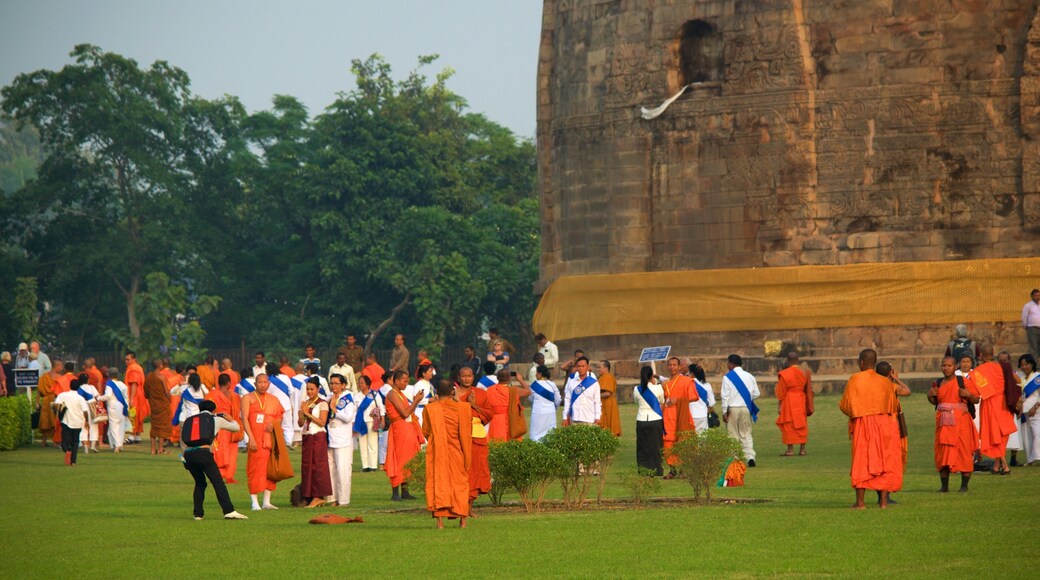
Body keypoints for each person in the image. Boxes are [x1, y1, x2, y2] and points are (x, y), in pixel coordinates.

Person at [839, 349, 903, 508]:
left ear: (861, 362)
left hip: (864, 423)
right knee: (884, 460)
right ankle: (883, 502)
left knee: (862, 460)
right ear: (874, 362)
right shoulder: (886, 382)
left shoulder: (855, 379)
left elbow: (846, 405)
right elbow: (893, 406)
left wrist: (859, 411)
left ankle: (860, 503)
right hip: (885, 425)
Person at [180, 400, 249, 520]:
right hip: (203, 453)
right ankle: (229, 510)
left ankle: (198, 514)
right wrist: (230, 418)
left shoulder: (190, 420)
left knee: (200, 483)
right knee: (218, 482)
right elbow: (236, 428)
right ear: (214, 410)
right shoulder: (215, 419)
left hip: (188, 455)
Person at [422, 376, 473, 528]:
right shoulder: (464, 408)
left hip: (438, 452)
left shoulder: (430, 409)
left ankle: (440, 521)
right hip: (457, 450)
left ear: (436, 392)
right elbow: (467, 430)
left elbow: (426, 431)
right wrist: (457, 399)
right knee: (460, 482)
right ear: (452, 391)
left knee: (439, 481)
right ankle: (462, 520)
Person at [928, 356, 981, 493]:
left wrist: (968, 394)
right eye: (944, 365)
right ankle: (944, 486)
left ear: (955, 366)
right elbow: (936, 402)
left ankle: (964, 486)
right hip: (944, 423)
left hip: (961, 423)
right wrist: (930, 395)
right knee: (943, 452)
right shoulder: (938, 382)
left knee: (963, 451)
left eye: (949, 365)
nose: (946, 368)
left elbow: (976, 399)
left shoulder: (963, 382)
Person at [241, 373, 285, 510]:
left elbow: (280, 416)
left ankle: (267, 501)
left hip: (270, 439)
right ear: (255, 384)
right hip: (256, 439)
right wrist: (251, 438)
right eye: (260, 382)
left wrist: (274, 424)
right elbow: (244, 418)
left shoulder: (274, 399)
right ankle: (254, 501)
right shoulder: (247, 398)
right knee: (255, 469)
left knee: (270, 470)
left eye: (265, 382)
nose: (263, 385)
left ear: (269, 384)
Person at [972, 344, 1019, 474]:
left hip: (990, 403)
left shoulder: (978, 371)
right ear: (993, 354)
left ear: (981, 355)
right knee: (1002, 434)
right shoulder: (1002, 367)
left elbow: (979, 391)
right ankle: (996, 465)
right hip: (1004, 402)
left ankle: (1005, 465)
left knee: (995, 435)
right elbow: (1017, 380)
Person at [455, 366, 493, 510]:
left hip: (477, 435)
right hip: (459, 436)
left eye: (469, 376)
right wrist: (464, 405)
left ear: (473, 377)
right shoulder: (455, 394)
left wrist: (474, 406)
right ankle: (460, 507)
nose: (467, 379)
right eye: (463, 376)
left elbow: (490, 413)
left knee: (476, 471)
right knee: (463, 471)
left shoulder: (480, 394)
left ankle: (469, 508)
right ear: (459, 378)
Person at [875, 361, 912, 505]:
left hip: (876, 425)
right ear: (889, 373)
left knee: (879, 460)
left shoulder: (873, 386)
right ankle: (885, 497)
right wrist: (896, 378)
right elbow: (907, 391)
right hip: (890, 426)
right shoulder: (892, 386)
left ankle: (881, 496)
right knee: (890, 460)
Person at [385, 369, 424, 501]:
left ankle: (405, 490)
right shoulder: (392, 394)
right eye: (405, 381)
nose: (407, 384)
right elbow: (405, 413)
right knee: (399, 459)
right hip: (399, 428)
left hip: (407, 428)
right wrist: (416, 401)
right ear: (396, 381)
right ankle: (395, 491)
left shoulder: (400, 393)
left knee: (408, 459)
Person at [297, 377, 331, 508]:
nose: (309, 392)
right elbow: (300, 424)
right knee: (307, 466)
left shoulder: (322, 403)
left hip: (318, 436)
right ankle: (308, 494)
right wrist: (301, 414)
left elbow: (322, 422)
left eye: (312, 389)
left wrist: (308, 413)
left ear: (318, 389)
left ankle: (319, 496)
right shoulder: (305, 403)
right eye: (308, 389)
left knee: (318, 466)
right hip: (307, 436)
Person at [721, 354, 759, 467]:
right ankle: (750, 457)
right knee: (746, 433)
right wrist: (747, 398)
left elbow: (725, 396)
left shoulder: (727, 377)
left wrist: (724, 412)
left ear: (731, 364)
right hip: (746, 408)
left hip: (732, 409)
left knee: (732, 434)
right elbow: (756, 393)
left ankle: (735, 458)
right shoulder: (749, 376)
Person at [661, 356, 696, 477]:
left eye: (674, 365)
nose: (672, 367)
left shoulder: (686, 381)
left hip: (682, 415)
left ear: (680, 367)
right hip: (668, 417)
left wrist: (678, 400)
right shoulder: (665, 383)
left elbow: (693, 397)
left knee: (683, 441)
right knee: (668, 443)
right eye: (670, 365)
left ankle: (683, 469)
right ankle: (672, 469)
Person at [326, 373, 357, 505]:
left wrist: (334, 410)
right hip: (329, 438)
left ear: (343, 385)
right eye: (331, 383)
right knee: (331, 470)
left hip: (343, 440)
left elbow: (348, 417)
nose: (333, 386)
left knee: (343, 471)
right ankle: (332, 498)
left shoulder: (348, 398)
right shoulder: (328, 397)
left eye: (336, 383)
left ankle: (343, 500)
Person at [775, 352, 814, 457]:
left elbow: (781, 392)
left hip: (789, 400)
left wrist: (779, 405)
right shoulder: (804, 372)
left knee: (789, 424)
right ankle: (802, 450)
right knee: (802, 423)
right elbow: (809, 389)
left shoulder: (785, 373)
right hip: (801, 399)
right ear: (798, 360)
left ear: (788, 361)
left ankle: (790, 450)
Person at [206, 373, 242, 483]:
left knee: (217, 451)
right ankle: (229, 476)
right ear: (229, 383)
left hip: (216, 425)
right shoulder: (234, 396)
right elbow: (236, 412)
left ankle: (218, 474)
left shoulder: (211, 395)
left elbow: (206, 409)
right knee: (231, 452)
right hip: (230, 425)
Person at [634, 365, 665, 476]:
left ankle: (643, 469)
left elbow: (636, 401)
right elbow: (662, 401)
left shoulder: (637, 389)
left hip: (641, 419)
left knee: (642, 446)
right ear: (652, 375)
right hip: (655, 419)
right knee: (656, 446)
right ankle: (657, 469)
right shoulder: (658, 388)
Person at [518, 364, 559, 442]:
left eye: (536, 373)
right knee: (550, 433)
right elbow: (558, 399)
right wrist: (554, 408)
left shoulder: (534, 385)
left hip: (538, 412)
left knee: (536, 434)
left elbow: (530, 398)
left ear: (540, 374)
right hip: (550, 412)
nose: (536, 375)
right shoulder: (552, 384)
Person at [487, 369, 530, 441]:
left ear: (497, 378)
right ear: (510, 378)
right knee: (512, 442)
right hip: (511, 419)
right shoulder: (514, 390)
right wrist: (520, 380)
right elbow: (528, 391)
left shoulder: (490, 390)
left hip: (496, 420)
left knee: (497, 442)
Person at [353, 374, 385, 473]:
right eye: (359, 383)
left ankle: (373, 466)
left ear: (367, 384)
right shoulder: (357, 396)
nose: (360, 385)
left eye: (362, 383)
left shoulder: (375, 395)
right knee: (362, 444)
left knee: (372, 443)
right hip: (360, 421)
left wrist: (382, 420)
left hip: (372, 422)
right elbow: (354, 410)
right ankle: (365, 466)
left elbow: (381, 408)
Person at [53, 379, 89, 466]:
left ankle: (67, 450)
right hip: (78, 422)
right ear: (78, 387)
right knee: (75, 442)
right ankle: (73, 461)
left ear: (70, 385)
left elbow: (55, 405)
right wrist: (86, 421)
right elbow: (85, 411)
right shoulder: (80, 398)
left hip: (66, 421)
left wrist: (57, 414)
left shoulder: (63, 395)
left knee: (64, 442)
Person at [143, 359, 172, 455]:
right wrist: (170, 399)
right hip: (162, 404)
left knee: (154, 426)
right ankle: (160, 448)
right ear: (160, 366)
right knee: (162, 426)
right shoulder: (162, 377)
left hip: (154, 404)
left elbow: (146, 391)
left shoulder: (148, 377)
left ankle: (152, 449)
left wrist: (150, 397)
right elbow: (166, 391)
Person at [562, 357, 601, 426]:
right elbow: (567, 399)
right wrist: (565, 417)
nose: (581, 368)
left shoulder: (594, 383)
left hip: (589, 419)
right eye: (579, 366)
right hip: (574, 418)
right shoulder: (572, 382)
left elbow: (597, 402)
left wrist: (597, 417)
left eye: (583, 366)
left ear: (587, 367)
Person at [101, 368, 130, 452]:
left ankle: (117, 445)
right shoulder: (123, 385)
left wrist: (99, 398)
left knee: (114, 425)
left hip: (113, 405)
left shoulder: (109, 384)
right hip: (122, 406)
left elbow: (108, 396)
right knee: (121, 425)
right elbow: (126, 397)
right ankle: (119, 444)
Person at [1018, 354, 1040, 465]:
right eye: (1022, 365)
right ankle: (1030, 460)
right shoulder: (1020, 377)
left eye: (1026, 364)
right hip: (1023, 411)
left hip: (1036, 411)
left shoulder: (1037, 376)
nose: (1024, 367)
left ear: (1032, 364)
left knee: (1037, 434)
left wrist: (1035, 407)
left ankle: (1037, 456)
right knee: (1026, 436)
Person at [75, 373, 103, 453]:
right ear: (87, 380)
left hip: (83, 409)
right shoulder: (92, 387)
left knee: (83, 427)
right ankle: (93, 446)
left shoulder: (78, 389)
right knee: (94, 427)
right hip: (92, 407)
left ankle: (85, 448)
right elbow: (98, 397)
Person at [36, 360, 62, 447]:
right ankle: (55, 442)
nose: (61, 368)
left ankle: (44, 441)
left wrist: (37, 402)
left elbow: (39, 391)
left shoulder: (43, 377)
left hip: (46, 401)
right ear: (57, 366)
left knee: (45, 420)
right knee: (55, 420)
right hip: (55, 400)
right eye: (61, 366)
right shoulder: (59, 377)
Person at [125, 351, 147, 444]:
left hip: (135, 394)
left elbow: (134, 383)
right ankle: (137, 435)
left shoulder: (133, 368)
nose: (126, 361)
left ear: (134, 359)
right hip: (140, 393)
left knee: (133, 414)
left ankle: (132, 435)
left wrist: (131, 398)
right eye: (125, 360)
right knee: (137, 414)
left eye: (128, 359)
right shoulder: (138, 367)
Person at [688, 363, 716, 433]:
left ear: (692, 374)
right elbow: (712, 402)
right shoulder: (707, 385)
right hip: (702, 415)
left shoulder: (688, 384)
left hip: (690, 415)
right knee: (702, 439)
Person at [597, 360, 622, 437]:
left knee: (607, 423)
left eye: (599, 367)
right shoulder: (603, 377)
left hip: (608, 404)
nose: (598, 369)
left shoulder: (607, 377)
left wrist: (594, 396)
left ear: (606, 368)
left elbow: (608, 393)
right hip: (604, 403)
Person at [411, 364, 435, 428]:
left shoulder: (430, 384)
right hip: (421, 412)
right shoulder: (420, 385)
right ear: (424, 373)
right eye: (430, 371)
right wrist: (429, 400)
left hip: (429, 411)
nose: (431, 373)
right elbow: (416, 399)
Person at [1023, 288, 1040, 359]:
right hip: (1032, 329)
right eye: (1036, 295)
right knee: (1034, 348)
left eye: (1039, 295)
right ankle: (1035, 366)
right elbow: (1024, 316)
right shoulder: (1028, 305)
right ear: (1032, 296)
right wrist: (1026, 326)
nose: (1037, 297)